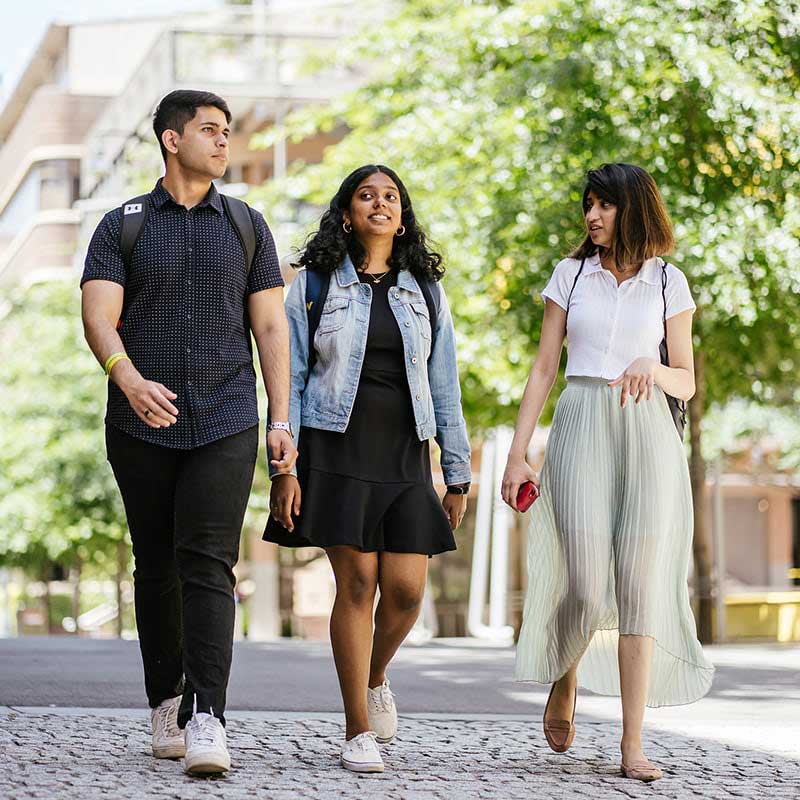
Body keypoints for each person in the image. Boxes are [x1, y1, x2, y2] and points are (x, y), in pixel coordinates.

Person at [80, 89, 297, 776]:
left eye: (227, 131)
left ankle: (208, 716)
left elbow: (270, 326)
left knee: (208, 563)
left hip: (227, 419)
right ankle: (164, 701)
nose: (224, 142)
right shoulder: (124, 225)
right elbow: (97, 317)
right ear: (173, 141)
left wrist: (281, 418)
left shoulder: (247, 225)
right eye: (210, 130)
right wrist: (128, 378)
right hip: (139, 426)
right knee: (156, 564)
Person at [501, 163, 714, 782]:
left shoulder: (669, 282)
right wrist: (519, 453)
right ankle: (565, 674)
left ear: (634, 209)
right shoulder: (570, 275)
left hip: (648, 434)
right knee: (589, 585)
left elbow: (687, 379)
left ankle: (631, 742)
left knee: (641, 587)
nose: (592, 216)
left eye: (605, 205)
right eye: (588, 205)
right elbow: (544, 368)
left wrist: (652, 361)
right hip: (581, 424)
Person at [263, 164, 471, 774]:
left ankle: (374, 676)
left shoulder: (426, 291)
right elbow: (291, 378)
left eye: (390, 196)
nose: (379, 203)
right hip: (336, 450)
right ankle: (358, 728)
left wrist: (455, 473)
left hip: (407, 453)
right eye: (365, 195)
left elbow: (445, 384)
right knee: (356, 585)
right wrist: (286, 467)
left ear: (401, 214)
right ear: (347, 213)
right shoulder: (313, 285)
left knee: (405, 590)